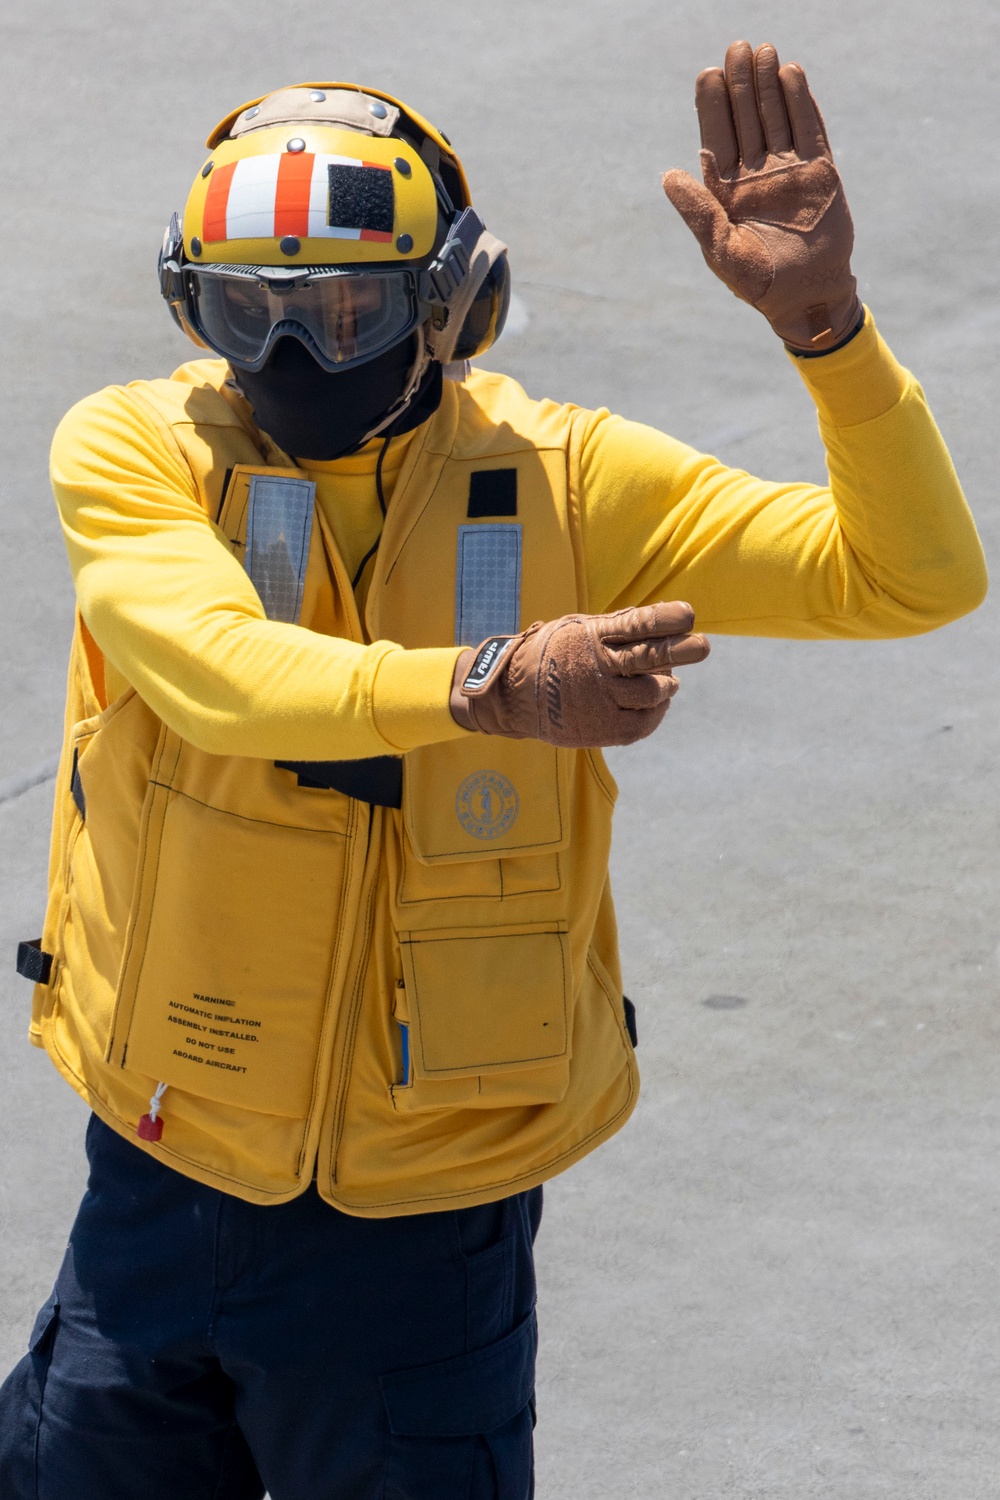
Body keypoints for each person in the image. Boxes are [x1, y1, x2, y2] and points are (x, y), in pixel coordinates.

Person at [0, 40, 986, 1500]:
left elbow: (910, 576)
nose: (291, 358)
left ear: (453, 302)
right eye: (244, 313)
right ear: (185, 307)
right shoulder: (140, 449)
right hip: (162, 1175)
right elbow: (214, 673)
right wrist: (488, 686)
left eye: (346, 311)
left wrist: (828, 331)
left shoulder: (571, 482)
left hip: (423, 1224)